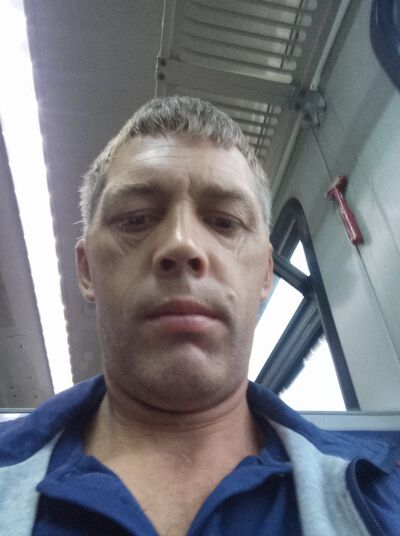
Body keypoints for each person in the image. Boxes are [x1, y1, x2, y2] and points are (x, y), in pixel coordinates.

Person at [0, 97, 398, 536]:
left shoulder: (384, 497)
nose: (182, 243)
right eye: (136, 219)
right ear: (86, 270)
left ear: (265, 273)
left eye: (225, 222)